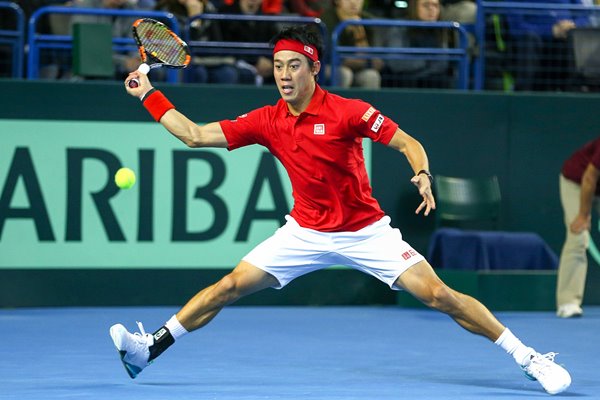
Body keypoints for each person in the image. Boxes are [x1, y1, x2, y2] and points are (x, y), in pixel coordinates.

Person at [111, 24, 572, 395]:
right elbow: (194, 134)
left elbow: (407, 141)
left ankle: (528, 357)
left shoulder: (349, 111)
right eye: (277, 66)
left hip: (366, 232)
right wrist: (148, 94)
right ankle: (148, 349)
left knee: (439, 296)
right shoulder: (266, 119)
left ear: (314, 69)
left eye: (294, 65)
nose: (284, 75)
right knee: (227, 286)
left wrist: (422, 173)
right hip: (304, 232)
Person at [556, 137, 600, 318]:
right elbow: (589, 178)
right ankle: (568, 302)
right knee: (578, 236)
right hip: (577, 182)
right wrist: (583, 215)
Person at [505, 0, 589, 91]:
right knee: (530, 40)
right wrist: (551, 31)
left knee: (572, 39)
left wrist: (572, 26)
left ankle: (572, 96)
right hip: (532, 47)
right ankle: (525, 94)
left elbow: (584, 16)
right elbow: (516, 27)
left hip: (562, 43)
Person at [154, 0, 239, 84]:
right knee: (198, 72)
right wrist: (195, 20)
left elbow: (216, 40)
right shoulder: (165, 11)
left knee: (227, 73)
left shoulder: (208, 9)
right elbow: (182, 42)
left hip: (203, 58)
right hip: (175, 58)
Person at [378, 0, 453, 89]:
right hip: (402, 81)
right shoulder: (399, 28)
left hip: (431, 81)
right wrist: (427, 61)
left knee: (442, 79)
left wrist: (422, 66)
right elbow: (396, 62)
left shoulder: (442, 30)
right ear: (414, 8)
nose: (431, 9)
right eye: (426, 5)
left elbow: (442, 64)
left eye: (435, 5)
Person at [320, 0, 383, 88]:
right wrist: (367, 62)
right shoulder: (326, 20)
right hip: (326, 67)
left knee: (371, 76)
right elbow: (334, 58)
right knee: (345, 74)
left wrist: (359, 34)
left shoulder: (368, 20)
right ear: (337, 1)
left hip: (358, 68)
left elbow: (378, 62)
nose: (353, 2)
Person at [217, 0, 280, 85]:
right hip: (234, 60)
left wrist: (270, 61)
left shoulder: (266, 18)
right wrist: (255, 60)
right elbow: (225, 46)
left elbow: (275, 43)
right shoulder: (225, 13)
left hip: (262, 63)